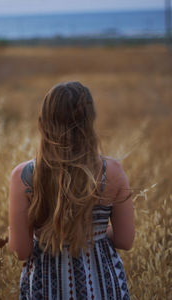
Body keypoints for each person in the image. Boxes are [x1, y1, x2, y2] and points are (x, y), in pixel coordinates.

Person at [8, 81, 135, 300]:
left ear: (43, 123)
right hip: (102, 288)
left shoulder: (23, 176)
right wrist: (92, 233)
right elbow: (125, 240)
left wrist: (11, 235)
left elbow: (21, 250)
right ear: (90, 121)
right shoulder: (112, 172)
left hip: (46, 288)